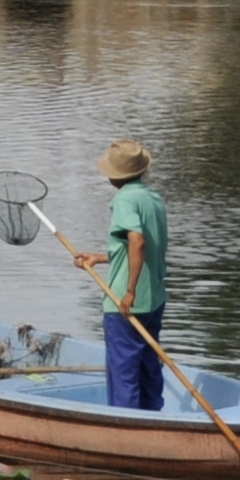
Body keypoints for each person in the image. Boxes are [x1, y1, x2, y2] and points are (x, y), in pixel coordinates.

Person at [96, 138, 168, 412]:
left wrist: (129, 291)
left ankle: (125, 424)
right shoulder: (153, 199)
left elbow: (138, 242)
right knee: (149, 366)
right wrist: (101, 257)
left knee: (123, 371)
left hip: (125, 305)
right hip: (155, 299)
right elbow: (144, 246)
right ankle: (152, 419)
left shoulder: (125, 199)